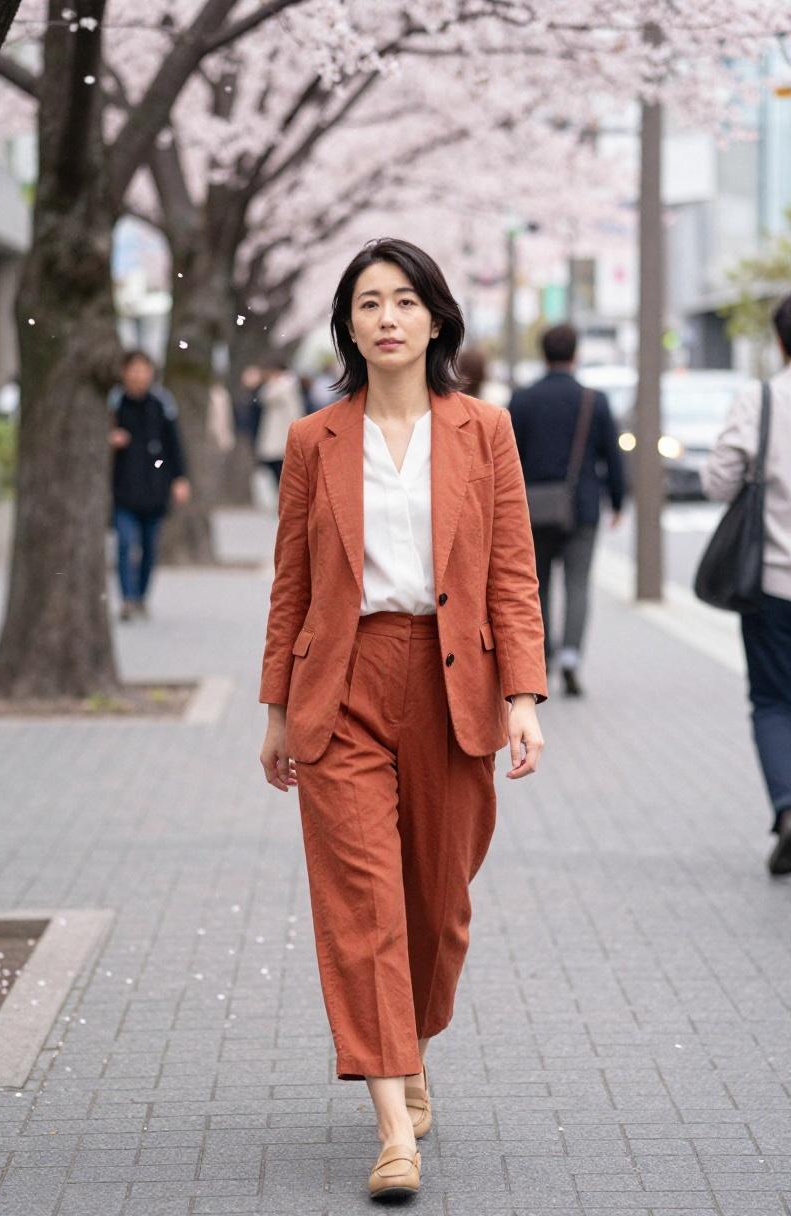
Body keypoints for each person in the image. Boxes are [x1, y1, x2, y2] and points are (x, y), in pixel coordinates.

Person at [258, 238, 547, 1201]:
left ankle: (411, 1045)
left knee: (437, 903)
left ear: (434, 318)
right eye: (368, 302)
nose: (387, 317)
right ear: (348, 324)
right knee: (362, 907)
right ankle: (392, 1129)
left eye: (404, 300)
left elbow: (511, 574)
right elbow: (290, 587)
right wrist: (272, 712)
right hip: (338, 690)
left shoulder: (484, 432)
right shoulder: (312, 440)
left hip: (451, 680)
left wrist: (523, 699)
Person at [702, 295, 791, 877]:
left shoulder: (762, 400)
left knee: (772, 701)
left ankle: (787, 810)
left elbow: (715, 482)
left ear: (780, 341)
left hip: (773, 583)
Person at [509, 323, 624, 696]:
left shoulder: (523, 399)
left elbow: (508, 458)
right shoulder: (594, 400)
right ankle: (572, 656)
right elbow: (612, 458)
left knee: (536, 586)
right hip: (582, 508)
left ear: (543, 354)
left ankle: (541, 657)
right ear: (575, 354)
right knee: (578, 585)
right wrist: (618, 501)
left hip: (531, 509)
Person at [108, 350, 191, 621]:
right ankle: (128, 599)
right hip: (122, 489)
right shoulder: (114, 403)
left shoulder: (162, 404)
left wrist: (180, 478)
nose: (138, 374)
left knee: (148, 548)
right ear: (123, 372)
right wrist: (109, 439)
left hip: (155, 489)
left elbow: (174, 444)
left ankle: (141, 596)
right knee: (124, 544)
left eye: (143, 369)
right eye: (133, 369)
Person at [254, 360, 304, 483]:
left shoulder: (283, 385)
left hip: (282, 433)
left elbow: (265, 397)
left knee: (280, 467)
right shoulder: (288, 384)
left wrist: (270, 382)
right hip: (283, 432)